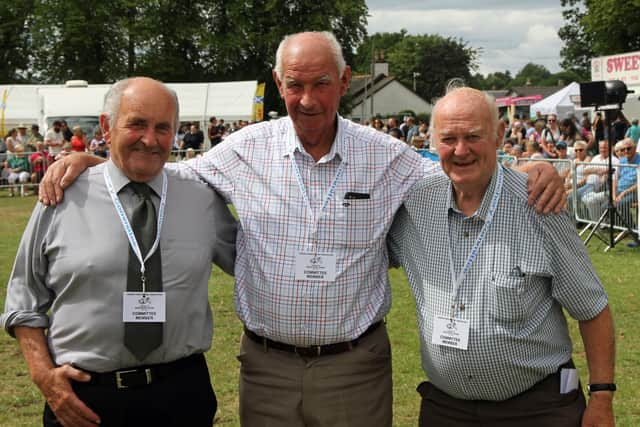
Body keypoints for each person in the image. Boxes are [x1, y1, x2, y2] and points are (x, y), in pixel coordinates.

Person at [38, 32, 565, 427]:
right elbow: (161, 171)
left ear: (344, 80)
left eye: (320, 84)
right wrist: (93, 163)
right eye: (294, 85)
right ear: (278, 84)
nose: (307, 99)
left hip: (354, 369)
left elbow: (459, 166)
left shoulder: (387, 156)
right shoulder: (244, 149)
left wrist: (527, 166)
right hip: (266, 368)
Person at [1, 77, 237, 427]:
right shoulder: (61, 195)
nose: (150, 139)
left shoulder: (201, 199)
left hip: (181, 395)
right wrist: (44, 377)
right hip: (85, 400)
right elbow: (23, 298)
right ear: (107, 127)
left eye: (163, 128)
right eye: (137, 124)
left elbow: (253, 259)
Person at [388, 87, 615, 427]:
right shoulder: (413, 204)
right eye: (449, 138)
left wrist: (601, 397)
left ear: (498, 136)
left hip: (536, 409)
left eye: (473, 136)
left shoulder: (540, 205)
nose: (461, 150)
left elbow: (592, 309)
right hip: (447, 410)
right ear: (433, 142)